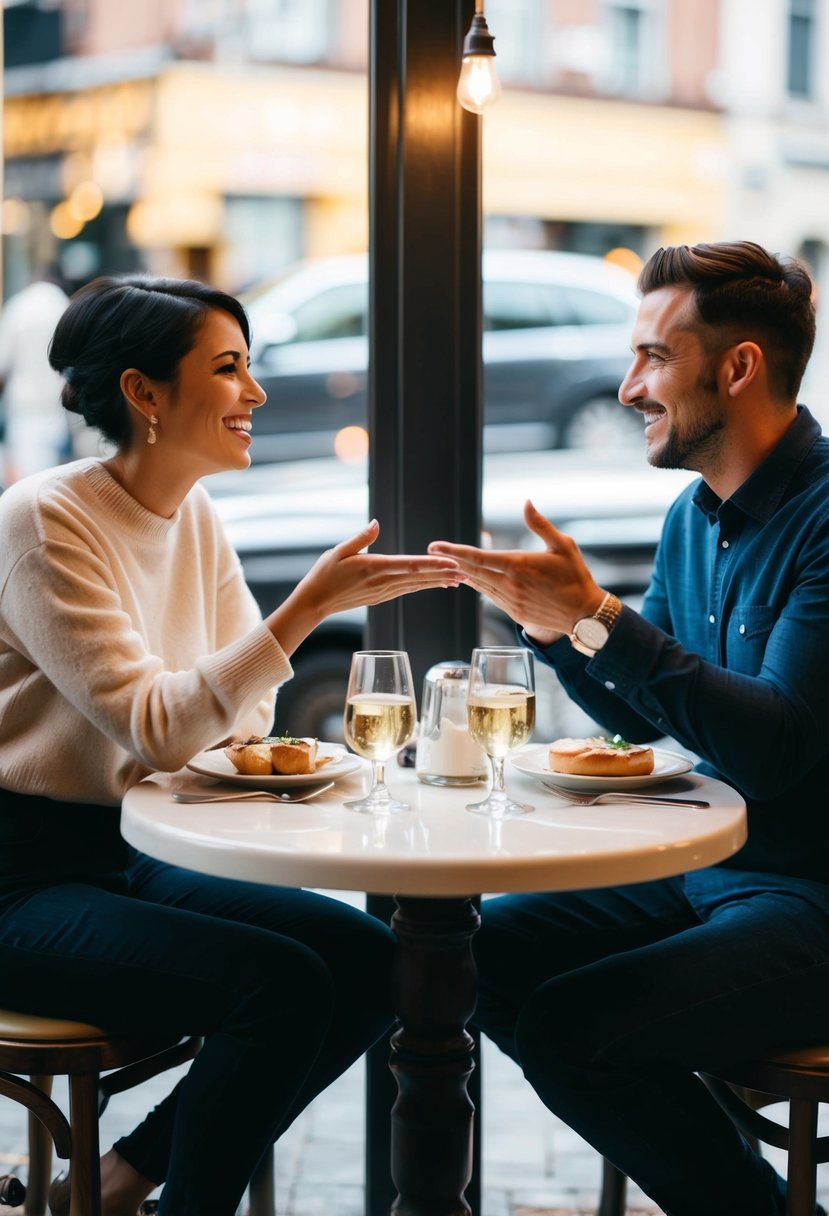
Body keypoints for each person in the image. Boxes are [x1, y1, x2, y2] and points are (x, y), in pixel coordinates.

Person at [0, 274, 460, 1216]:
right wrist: (307, 611)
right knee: (283, 986)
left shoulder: (193, 515)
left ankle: (122, 1177)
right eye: (229, 368)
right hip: (21, 876)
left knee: (380, 961)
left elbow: (242, 721)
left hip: (132, 851)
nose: (255, 393)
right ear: (144, 393)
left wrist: (238, 681)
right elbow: (166, 726)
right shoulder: (45, 520)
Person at [428, 240, 829, 1216]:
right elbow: (644, 709)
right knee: (470, 956)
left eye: (652, 355)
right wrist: (560, 629)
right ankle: (713, 1180)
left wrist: (602, 618)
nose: (625, 385)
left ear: (735, 368)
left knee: (572, 1029)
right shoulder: (693, 518)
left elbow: (775, 747)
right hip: (713, 869)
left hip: (811, 890)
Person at [0, 273, 71, 484]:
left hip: (24, 408)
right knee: (52, 480)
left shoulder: (18, 307)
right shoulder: (64, 308)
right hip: (57, 407)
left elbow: (3, 363)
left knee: (27, 480)